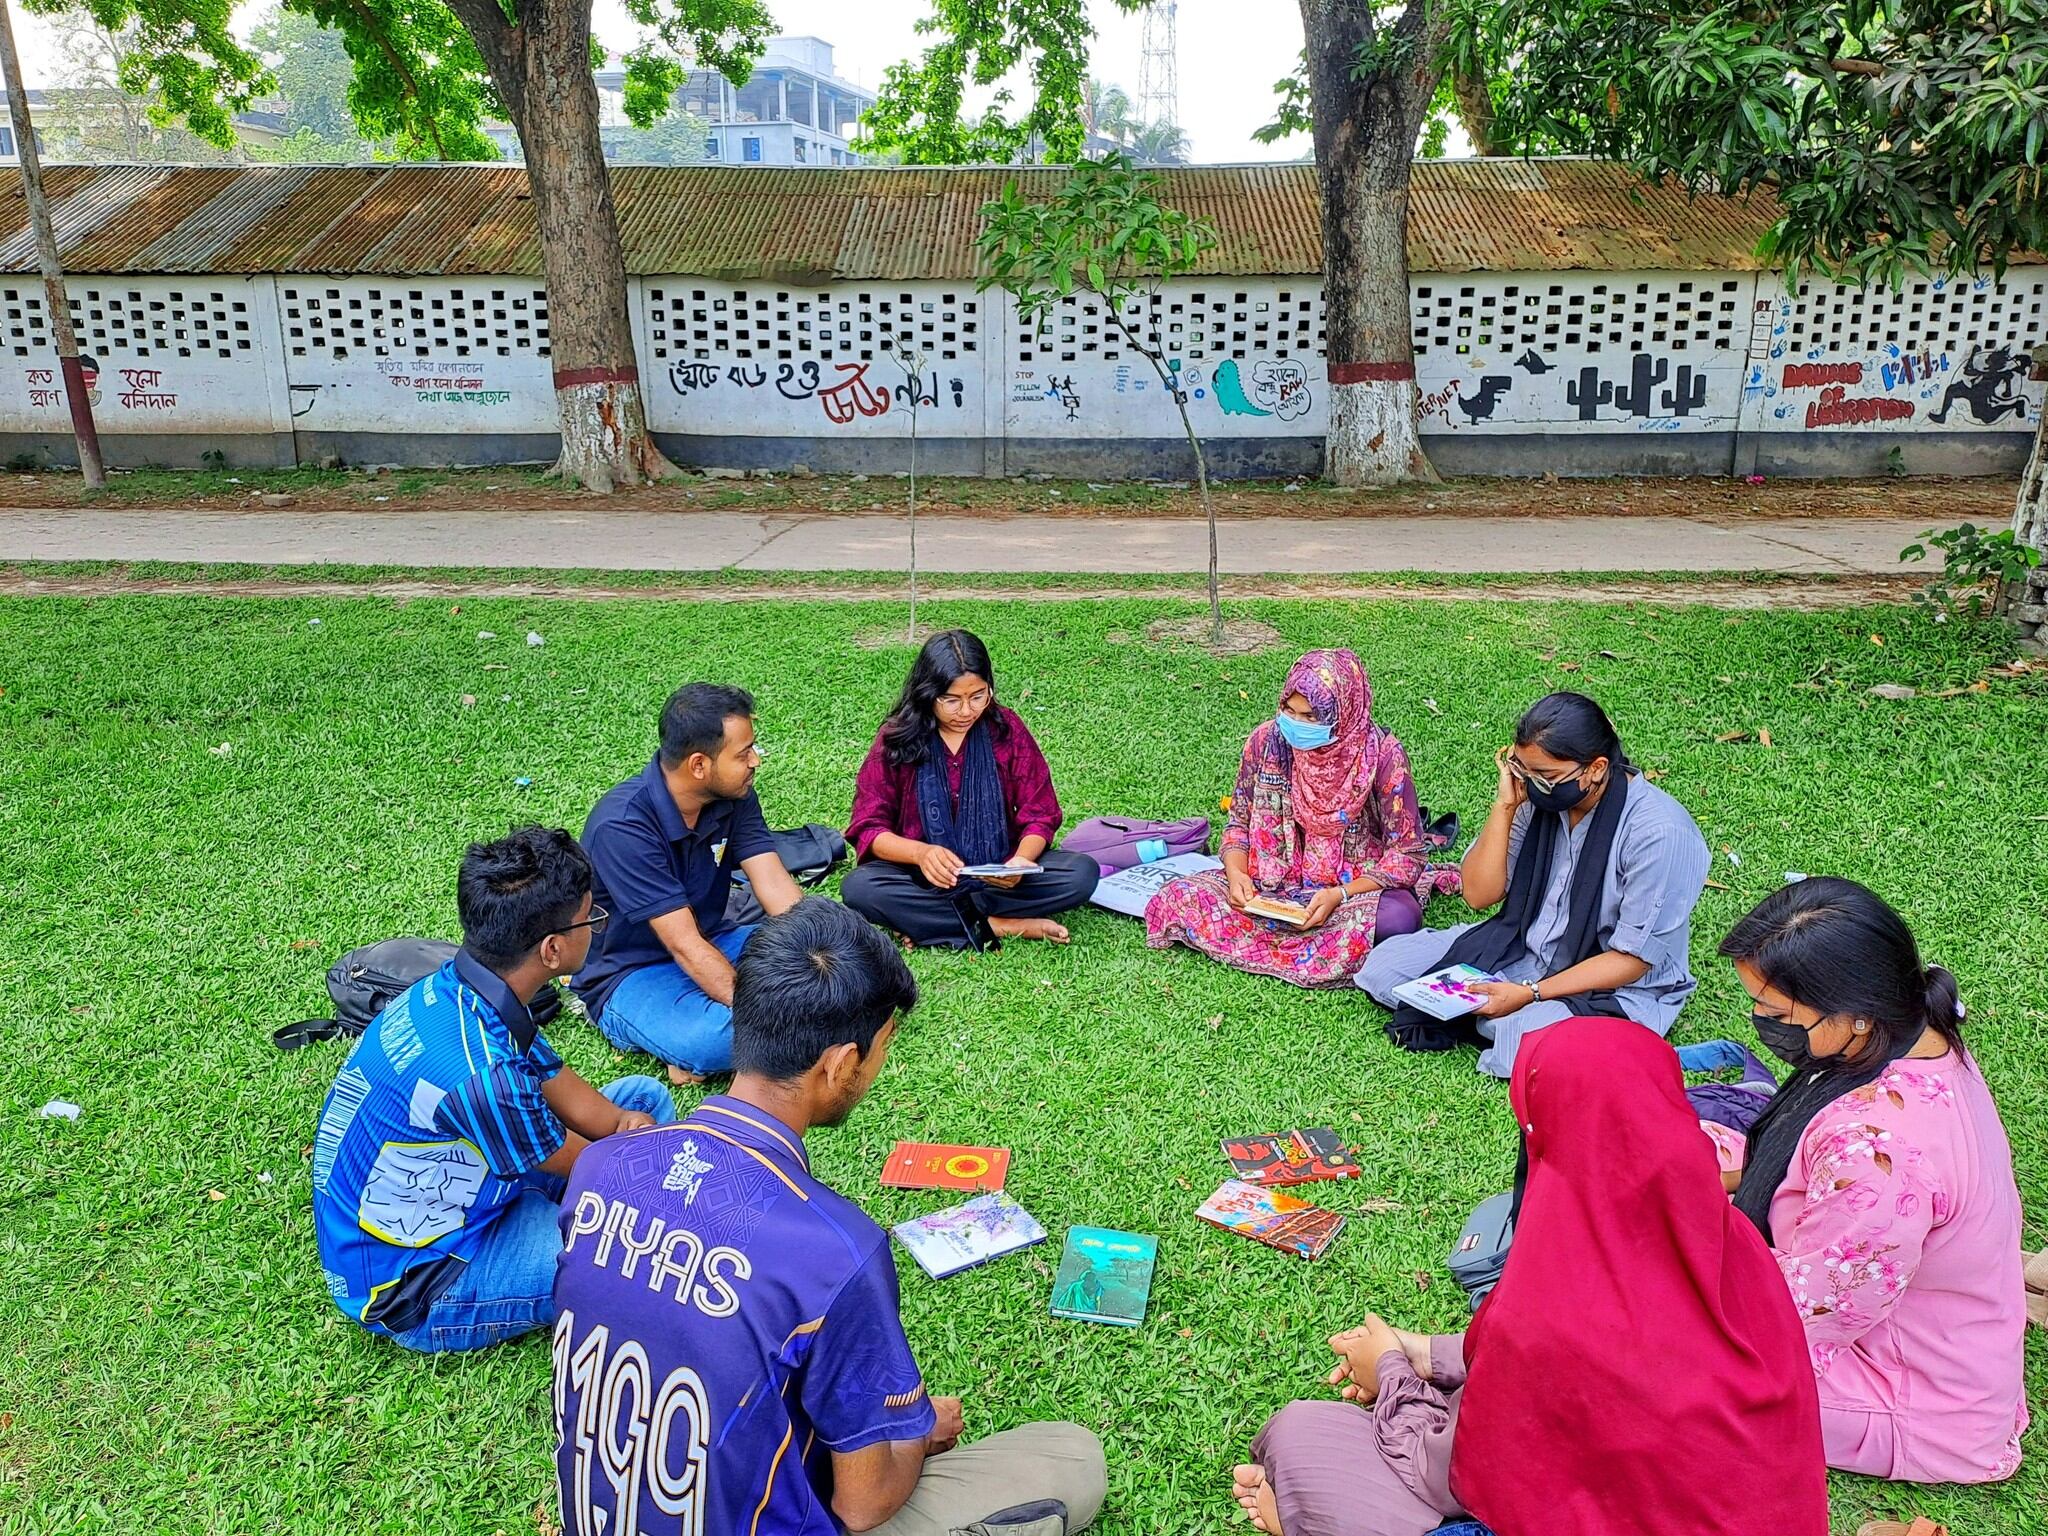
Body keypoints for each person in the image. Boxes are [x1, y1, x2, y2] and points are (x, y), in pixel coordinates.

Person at [552, 898, 1108, 1536]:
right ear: (841, 1063)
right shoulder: (836, 1251)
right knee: (1072, 1459)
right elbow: (862, 1505)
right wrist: (918, 1432)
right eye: (879, 1055)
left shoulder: (602, 1167)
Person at [1230, 1017, 1827, 1536]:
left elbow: (1456, 1474)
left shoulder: (1554, 1299)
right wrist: (1423, 1354)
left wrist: (1389, 1373)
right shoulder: (1737, 1243)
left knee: (1304, 1438)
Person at [311, 826, 676, 1354]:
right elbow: (601, 1162)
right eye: (592, 919)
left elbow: (597, 1116)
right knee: (625, 1258)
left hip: (476, 1180)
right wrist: (641, 1159)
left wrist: (627, 1132)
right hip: (420, 1276)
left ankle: (607, 1220)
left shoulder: (469, 990)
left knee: (640, 1098)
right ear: (552, 949)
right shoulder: (483, 1075)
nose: (597, 929)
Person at [1714, 877, 2027, 1484]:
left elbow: (1806, 1314)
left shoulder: (1876, 1154)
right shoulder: (1916, 1036)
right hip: (1935, 1328)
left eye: (1777, 1014)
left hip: (1912, 1396)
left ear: (1855, 1016)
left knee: (1643, 1359)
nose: (1759, 1023)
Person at [1358, 691, 1709, 1076]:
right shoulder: (1536, 800)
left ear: (1596, 768)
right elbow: (1479, 895)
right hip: (1522, 948)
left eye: (1547, 776)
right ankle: (1498, 1012)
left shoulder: (1659, 833)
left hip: (1611, 982)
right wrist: (1506, 806)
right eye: (1523, 770)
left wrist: (1530, 994)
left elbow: (1632, 959)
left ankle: (1512, 1016)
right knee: (1384, 968)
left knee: (1514, 1042)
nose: (1535, 785)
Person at [1147, 649, 1447, 986]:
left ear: (1342, 714)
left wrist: (1341, 895)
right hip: (1271, 884)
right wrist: (1236, 876)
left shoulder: (1382, 757)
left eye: (1310, 717)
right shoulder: (1266, 742)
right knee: (1177, 896)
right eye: (1289, 711)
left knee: (1400, 918)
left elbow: (1408, 855)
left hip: (1350, 890)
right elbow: (1237, 826)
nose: (1295, 724)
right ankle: (1309, 938)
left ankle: (1297, 929)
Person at [573, 682, 805, 1084]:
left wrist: (822, 953)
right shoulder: (623, 826)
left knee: (821, 955)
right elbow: (682, 943)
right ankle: (664, 1038)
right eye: (743, 753)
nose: (755, 761)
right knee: (715, 1040)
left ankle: (687, 1046)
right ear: (699, 765)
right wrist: (763, 1015)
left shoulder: (735, 793)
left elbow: (774, 884)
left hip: (715, 940)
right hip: (631, 972)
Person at [843, 629, 1100, 948]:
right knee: (861, 888)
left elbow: (1040, 814)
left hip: (997, 878)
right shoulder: (896, 737)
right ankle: (999, 925)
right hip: (923, 880)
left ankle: (928, 922)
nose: (966, 711)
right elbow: (868, 827)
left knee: (1081, 873)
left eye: (978, 696)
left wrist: (1020, 862)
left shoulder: (1005, 729)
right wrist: (922, 854)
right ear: (927, 693)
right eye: (951, 700)